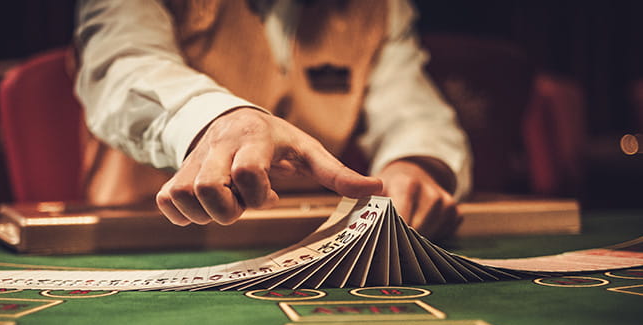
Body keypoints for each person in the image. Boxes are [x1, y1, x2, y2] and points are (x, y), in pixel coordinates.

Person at [74, 0, 472, 239]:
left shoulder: (381, 7)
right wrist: (220, 122)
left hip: (309, 246)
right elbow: (121, 65)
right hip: (144, 237)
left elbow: (413, 109)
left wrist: (415, 164)